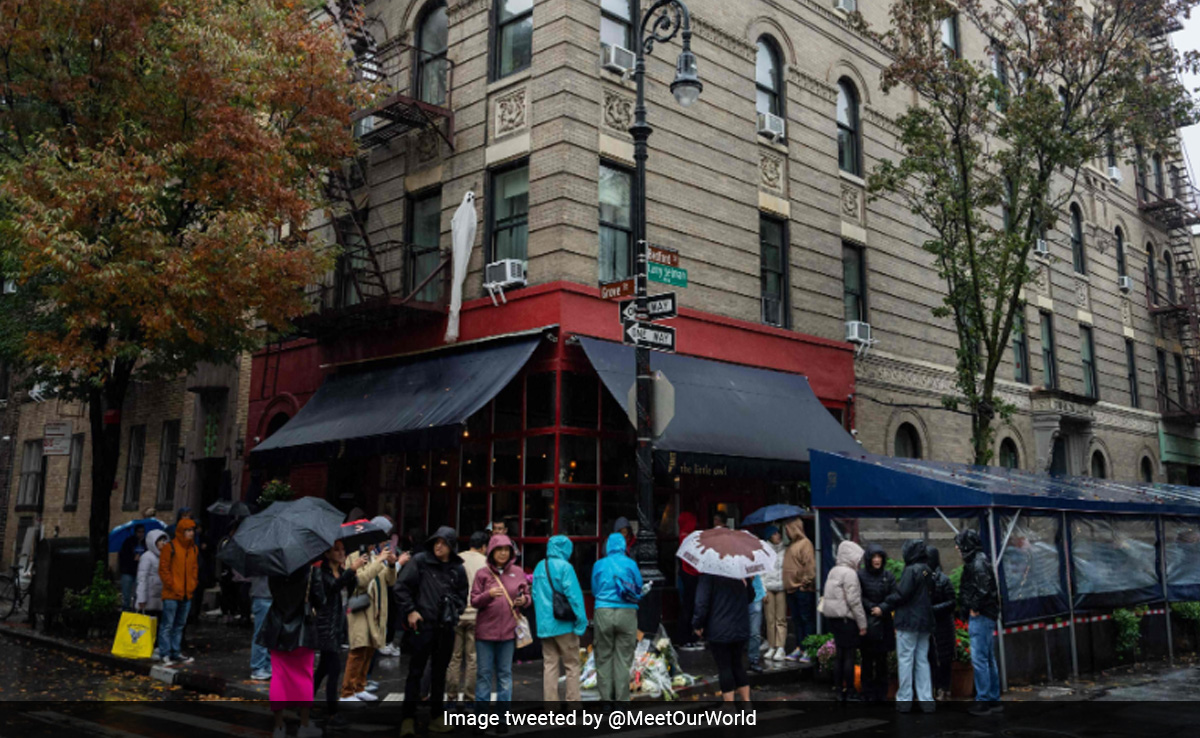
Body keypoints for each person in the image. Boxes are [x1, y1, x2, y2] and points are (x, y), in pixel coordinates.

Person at [394, 526, 468, 738]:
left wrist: (454, 609)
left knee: (439, 674)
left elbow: (463, 595)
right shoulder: (420, 561)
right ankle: (407, 719)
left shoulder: (457, 568)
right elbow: (401, 587)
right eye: (436, 541)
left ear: (451, 546)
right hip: (422, 625)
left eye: (444, 543)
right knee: (415, 672)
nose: (439, 546)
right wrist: (411, 610)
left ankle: (436, 717)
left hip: (446, 628)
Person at [258, 563, 322, 738]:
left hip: (277, 626)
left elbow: (274, 593)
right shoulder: (311, 570)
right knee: (305, 675)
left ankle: (278, 727)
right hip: (302, 628)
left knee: (278, 676)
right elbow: (320, 599)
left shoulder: (275, 567)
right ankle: (304, 725)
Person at [471, 534, 528, 724]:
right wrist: (488, 595)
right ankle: (480, 718)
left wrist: (524, 600)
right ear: (492, 552)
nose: (503, 554)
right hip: (485, 634)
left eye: (506, 550)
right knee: (483, 675)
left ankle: (503, 718)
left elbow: (527, 595)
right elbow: (474, 601)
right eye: (499, 550)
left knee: (505, 675)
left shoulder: (518, 572)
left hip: (508, 633)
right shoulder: (482, 574)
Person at [876, 539, 935, 714]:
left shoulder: (911, 570)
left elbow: (902, 595)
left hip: (908, 622)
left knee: (906, 660)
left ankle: (904, 700)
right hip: (925, 622)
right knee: (922, 660)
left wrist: (884, 606)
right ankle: (927, 700)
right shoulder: (927, 570)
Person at [314, 540, 366, 729]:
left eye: (343, 549)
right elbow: (332, 588)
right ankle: (332, 713)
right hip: (325, 627)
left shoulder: (340, 571)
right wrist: (350, 571)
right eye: (336, 550)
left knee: (322, 670)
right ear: (327, 554)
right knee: (334, 669)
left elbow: (350, 590)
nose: (341, 552)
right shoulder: (322, 572)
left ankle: (305, 703)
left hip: (337, 626)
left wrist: (352, 574)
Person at [340, 541, 399, 702]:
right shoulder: (354, 557)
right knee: (358, 649)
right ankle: (347, 691)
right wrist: (380, 561)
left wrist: (392, 565)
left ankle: (360, 686)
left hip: (377, 611)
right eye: (371, 542)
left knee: (370, 649)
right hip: (361, 610)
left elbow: (390, 580)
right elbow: (361, 581)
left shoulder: (375, 557)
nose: (374, 544)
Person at [533, 534, 588, 703]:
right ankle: (573, 705)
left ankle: (551, 706)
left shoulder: (540, 566)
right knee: (572, 666)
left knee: (550, 665)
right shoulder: (566, 568)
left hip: (545, 626)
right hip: (564, 625)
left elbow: (534, 595)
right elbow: (575, 597)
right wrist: (581, 622)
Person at [591, 531, 642, 702]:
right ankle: (621, 702)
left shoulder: (599, 565)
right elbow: (638, 587)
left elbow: (594, 589)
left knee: (603, 656)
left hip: (603, 611)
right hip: (627, 613)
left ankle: (606, 700)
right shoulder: (631, 564)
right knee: (623, 658)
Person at [956, 529, 1002, 716]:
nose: (957, 548)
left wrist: (974, 607)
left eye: (959, 544)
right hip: (985, 614)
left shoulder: (977, 562)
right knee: (987, 657)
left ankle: (984, 699)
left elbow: (982, 588)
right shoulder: (980, 559)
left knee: (980, 658)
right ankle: (992, 698)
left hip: (981, 615)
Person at [693, 573, 753, 703]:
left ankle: (729, 706)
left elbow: (701, 603)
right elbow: (750, 597)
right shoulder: (740, 571)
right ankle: (747, 703)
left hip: (719, 627)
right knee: (737, 664)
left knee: (724, 666)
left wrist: (697, 624)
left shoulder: (709, 574)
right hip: (740, 625)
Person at [822, 540, 867, 702]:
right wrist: (862, 624)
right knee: (849, 656)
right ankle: (850, 690)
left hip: (834, 619)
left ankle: (839, 689)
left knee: (840, 655)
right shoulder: (849, 574)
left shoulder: (834, 571)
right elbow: (854, 601)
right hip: (847, 620)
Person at [446, 531, 488, 702]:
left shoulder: (457, 559)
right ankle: (470, 697)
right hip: (477, 615)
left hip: (457, 613)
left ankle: (451, 696)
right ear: (484, 547)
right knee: (473, 658)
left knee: (454, 657)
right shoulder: (485, 563)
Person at [858, 543, 897, 702]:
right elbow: (858, 596)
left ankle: (881, 693)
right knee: (866, 660)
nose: (877, 560)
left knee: (882, 662)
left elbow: (894, 596)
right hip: (867, 623)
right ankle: (867, 692)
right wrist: (871, 607)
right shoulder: (860, 575)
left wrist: (883, 608)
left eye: (879, 557)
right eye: (874, 557)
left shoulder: (888, 576)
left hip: (884, 624)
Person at [158, 517, 199, 666]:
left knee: (178, 624)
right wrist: (173, 585)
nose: (191, 533)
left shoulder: (193, 548)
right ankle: (165, 652)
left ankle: (174, 652)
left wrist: (193, 584)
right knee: (168, 624)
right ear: (182, 531)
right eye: (188, 530)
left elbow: (194, 568)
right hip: (173, 593)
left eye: (192, 530)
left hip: (186, 592)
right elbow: (164, 569)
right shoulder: (171, 547)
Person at [782, 518, 816, 662]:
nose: (786, 532)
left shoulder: (805, 544)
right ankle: (799, 647)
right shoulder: (791, 545)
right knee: (797, 620)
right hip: (791, 589)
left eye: (788, 528)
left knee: (805, 619)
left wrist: (806, 582)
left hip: (801, 589)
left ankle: (808, 648)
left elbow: (810, 566)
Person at [926, 545, 957, 701]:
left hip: (943, 625)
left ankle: (944, 689)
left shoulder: (943, 580)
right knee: (931, 659)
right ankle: (936, 689)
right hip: (931, 626)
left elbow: (952, 602)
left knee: (944, 660)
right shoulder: (923, 577)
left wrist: (933, 609)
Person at [135, 529, 169, 660]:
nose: (163, 543)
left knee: (160, 622)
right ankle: (146, 646)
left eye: (164, 540)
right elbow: (142, 578)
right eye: (160, 540)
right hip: (149, 596)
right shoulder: (147, 557)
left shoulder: (165, 556)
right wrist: (141, 598)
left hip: (161, 596)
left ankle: (158, 647)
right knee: (149, 623)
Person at [675, 512, 702, 651]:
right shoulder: (687, 537)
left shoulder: (683, 536)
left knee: (689, 607)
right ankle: (684, 638)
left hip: (687, 575)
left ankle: (689, 637)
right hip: (689, 575)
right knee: (688, 607)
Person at [761, 526, 788, 661]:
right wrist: (763, 590)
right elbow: (761, 572)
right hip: (769, 587)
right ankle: (772, 646)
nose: (778, 535)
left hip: (781, 587)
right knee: (770, 619)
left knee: (781, 619)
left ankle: (781, 647)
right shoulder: (765, 551)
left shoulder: (785, 550)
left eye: (778, 533)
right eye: (774, 533)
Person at [249, 575, 273, 680]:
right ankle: (258, 667)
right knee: (261, 633)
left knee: (267, 633)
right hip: (263, 596)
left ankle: (265, 664)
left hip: (265, 595)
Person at [119, 524, 146, 611]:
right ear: (135, 532)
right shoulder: (128, 542)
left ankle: (135, 610)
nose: (141, 534)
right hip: (128, 571)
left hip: (139, 571)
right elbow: (122, 556)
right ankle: (125, 610)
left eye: (142, 532)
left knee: (137, 594)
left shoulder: (146, 543)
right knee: (126, 594)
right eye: (139, 532)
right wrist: (132, 558)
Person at [747, 574, 767, 673]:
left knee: (754, 632)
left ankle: (754, 660)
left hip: (756, 595)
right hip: (737, 596)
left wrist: (763, 592)